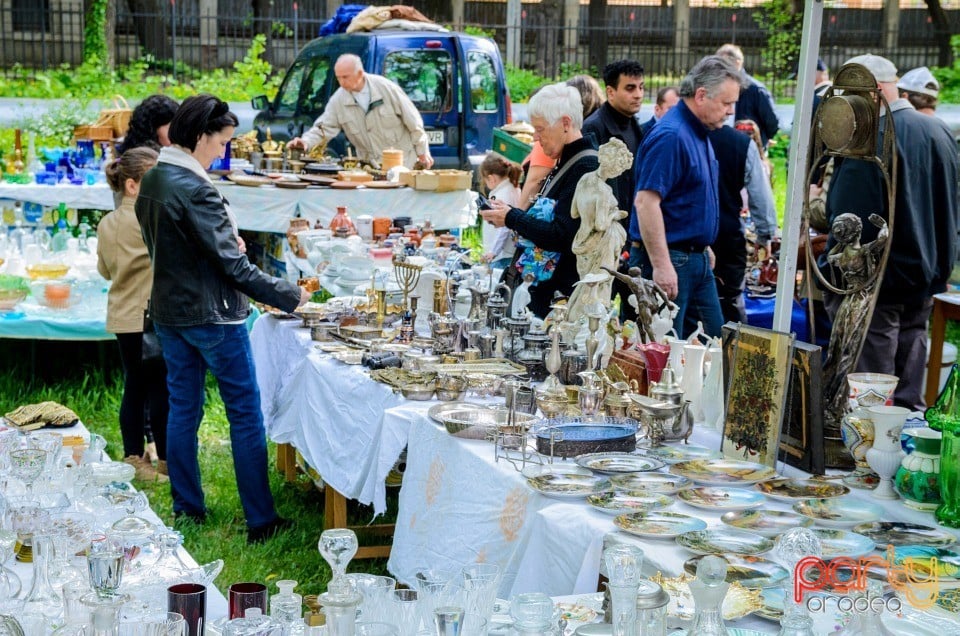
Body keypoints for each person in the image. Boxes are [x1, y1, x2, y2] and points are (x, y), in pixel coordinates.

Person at [136, 95, 312, 543]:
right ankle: (261, 520)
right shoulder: (197, 188)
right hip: (214, 318)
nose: (223, 152)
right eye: (221, 143)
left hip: (171, 312)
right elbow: (233, 267)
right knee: (244, 415)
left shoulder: (154, 177)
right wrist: (292, 296)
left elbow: (178, 244)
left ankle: (187, 508)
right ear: (199, 137)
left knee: (183, 410)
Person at [824, 54, 959, 410]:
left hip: (879, 279)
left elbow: (846, 215)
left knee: (873, 388)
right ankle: (906, 443)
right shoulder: (940, 130)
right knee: (909, 370)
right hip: (925, 272)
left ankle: (874, 452)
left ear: (869, 92)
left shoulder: (871, 137)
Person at [630, 55, 741, 339]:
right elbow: (646, 203)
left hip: (695, 256)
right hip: (672, 258)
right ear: (701, 95)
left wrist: (702, 242)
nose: (730, 111)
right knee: (665, 351)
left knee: (715, 344)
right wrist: (661, 264)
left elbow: (688, 194)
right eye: (726, 103)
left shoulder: (698, 130)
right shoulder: (671, 135)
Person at [480, 83, 599, 318]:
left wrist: (512, 217)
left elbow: (562, 235)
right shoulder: (567, 160)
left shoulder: (585, 166)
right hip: (545, 291)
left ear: (565, 123)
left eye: (541, 129)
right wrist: (510, 216)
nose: (535, 138)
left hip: (558, 300)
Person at [97, 147, 168, 484]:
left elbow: (104, 270)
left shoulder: (107, 223)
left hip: (121, 315)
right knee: (159, 390)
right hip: (148, 316)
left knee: (134, 386)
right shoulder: (149, 219)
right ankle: (162, 459)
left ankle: (134, 455)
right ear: (132, 185)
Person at [287, 54, 433, 169]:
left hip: (403, 165)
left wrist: (423, 153)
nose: (341, 82)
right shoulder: (338, 99)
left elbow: (414, 122)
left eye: (345, 77)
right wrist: (305, 142)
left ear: (360, 73)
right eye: (338, 78)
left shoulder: (386, 88)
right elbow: (323, 128)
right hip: (370, 170)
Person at [708, 123, 778, 323]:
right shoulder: (740, 143)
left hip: (692, 237)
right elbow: (761, 196)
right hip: (727, 235)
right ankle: (731, 351)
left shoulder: (679, 134)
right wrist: (765, 235)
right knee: (729, 305)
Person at [581, 59, 646, 216]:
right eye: (630, 88)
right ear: (610, 92)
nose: (638, 95)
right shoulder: (593, 127)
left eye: (641, 87)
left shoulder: (634, 125)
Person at [716, 44, 779, 147]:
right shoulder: (716, 85)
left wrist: (761, 138)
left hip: (749, 146)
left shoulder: (755, 89)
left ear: (738, 62)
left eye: (723, 63)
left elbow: (771, 121)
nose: (719, 68)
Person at [479, 153, 522, 269]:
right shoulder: (512, 188)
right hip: (505, 252)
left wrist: (493, 251)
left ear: (491, 178)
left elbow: (504, 227)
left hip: (500, 255)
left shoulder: (502, 194)